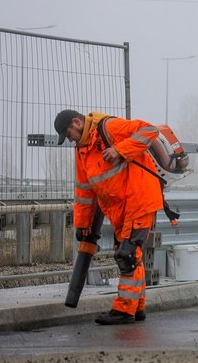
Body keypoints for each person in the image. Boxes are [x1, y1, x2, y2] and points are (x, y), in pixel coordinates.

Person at [54, 109, 165, 325]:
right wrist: (83, 224)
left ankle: (124, 310)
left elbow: (149, 130)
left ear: (77, 122)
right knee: (131, 254)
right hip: (119, 208)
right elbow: (84, 191)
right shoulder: (81, 150)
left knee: (128, 254)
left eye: (68, 133)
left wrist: (119, 150)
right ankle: (137, 307)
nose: (69, 139)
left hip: (138, 198)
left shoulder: (109, 127)